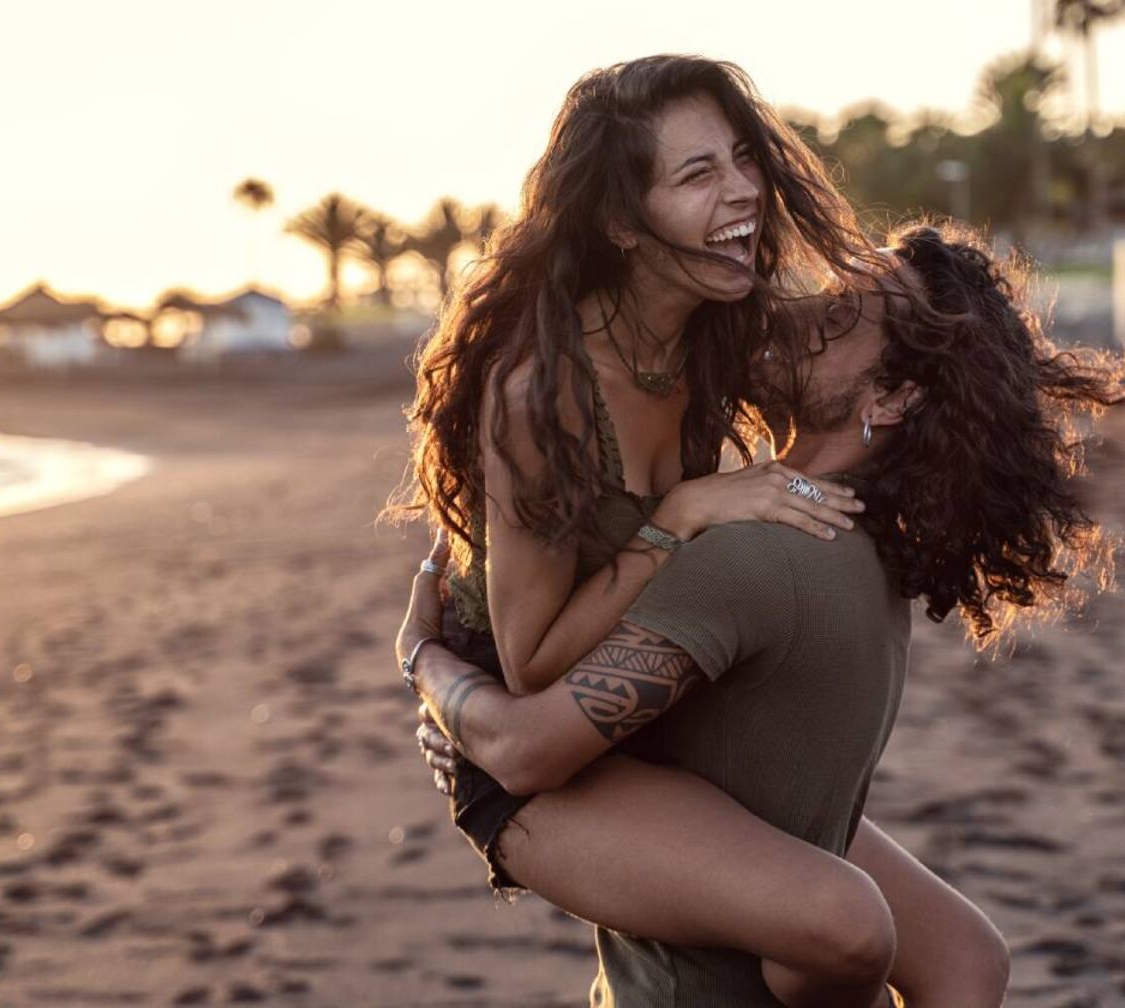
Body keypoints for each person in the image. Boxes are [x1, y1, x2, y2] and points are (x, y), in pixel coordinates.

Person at [401, 218, 1125, 1005]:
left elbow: (524, 755)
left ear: (893, 396)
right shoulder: (868, 560)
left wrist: (427, 661)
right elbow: (969, 960)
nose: (794, 315)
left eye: (836, 318)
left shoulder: (749, 559)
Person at [394, 53, 923, 1008]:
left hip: (627, 716)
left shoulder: (718, 329)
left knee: (958, 954)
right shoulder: (543, 395)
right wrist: (679, 516)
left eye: (741, 158)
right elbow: (530, 665)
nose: (743, 191)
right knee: (837, 927)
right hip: (521, 744)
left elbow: (882, 358)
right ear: (617, 223)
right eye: (697, 174)